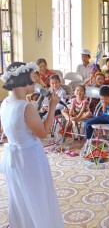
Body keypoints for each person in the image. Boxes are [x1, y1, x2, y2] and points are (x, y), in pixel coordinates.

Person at [0, 62, 64, 227]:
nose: (37, 80)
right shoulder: (25, 106)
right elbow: (43, 133)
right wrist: (52, 107)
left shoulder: (5, 102)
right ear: (24, 78)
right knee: (37, 195)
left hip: (14, 158)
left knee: (21, 196)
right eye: (33, 76)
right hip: (29, 157)